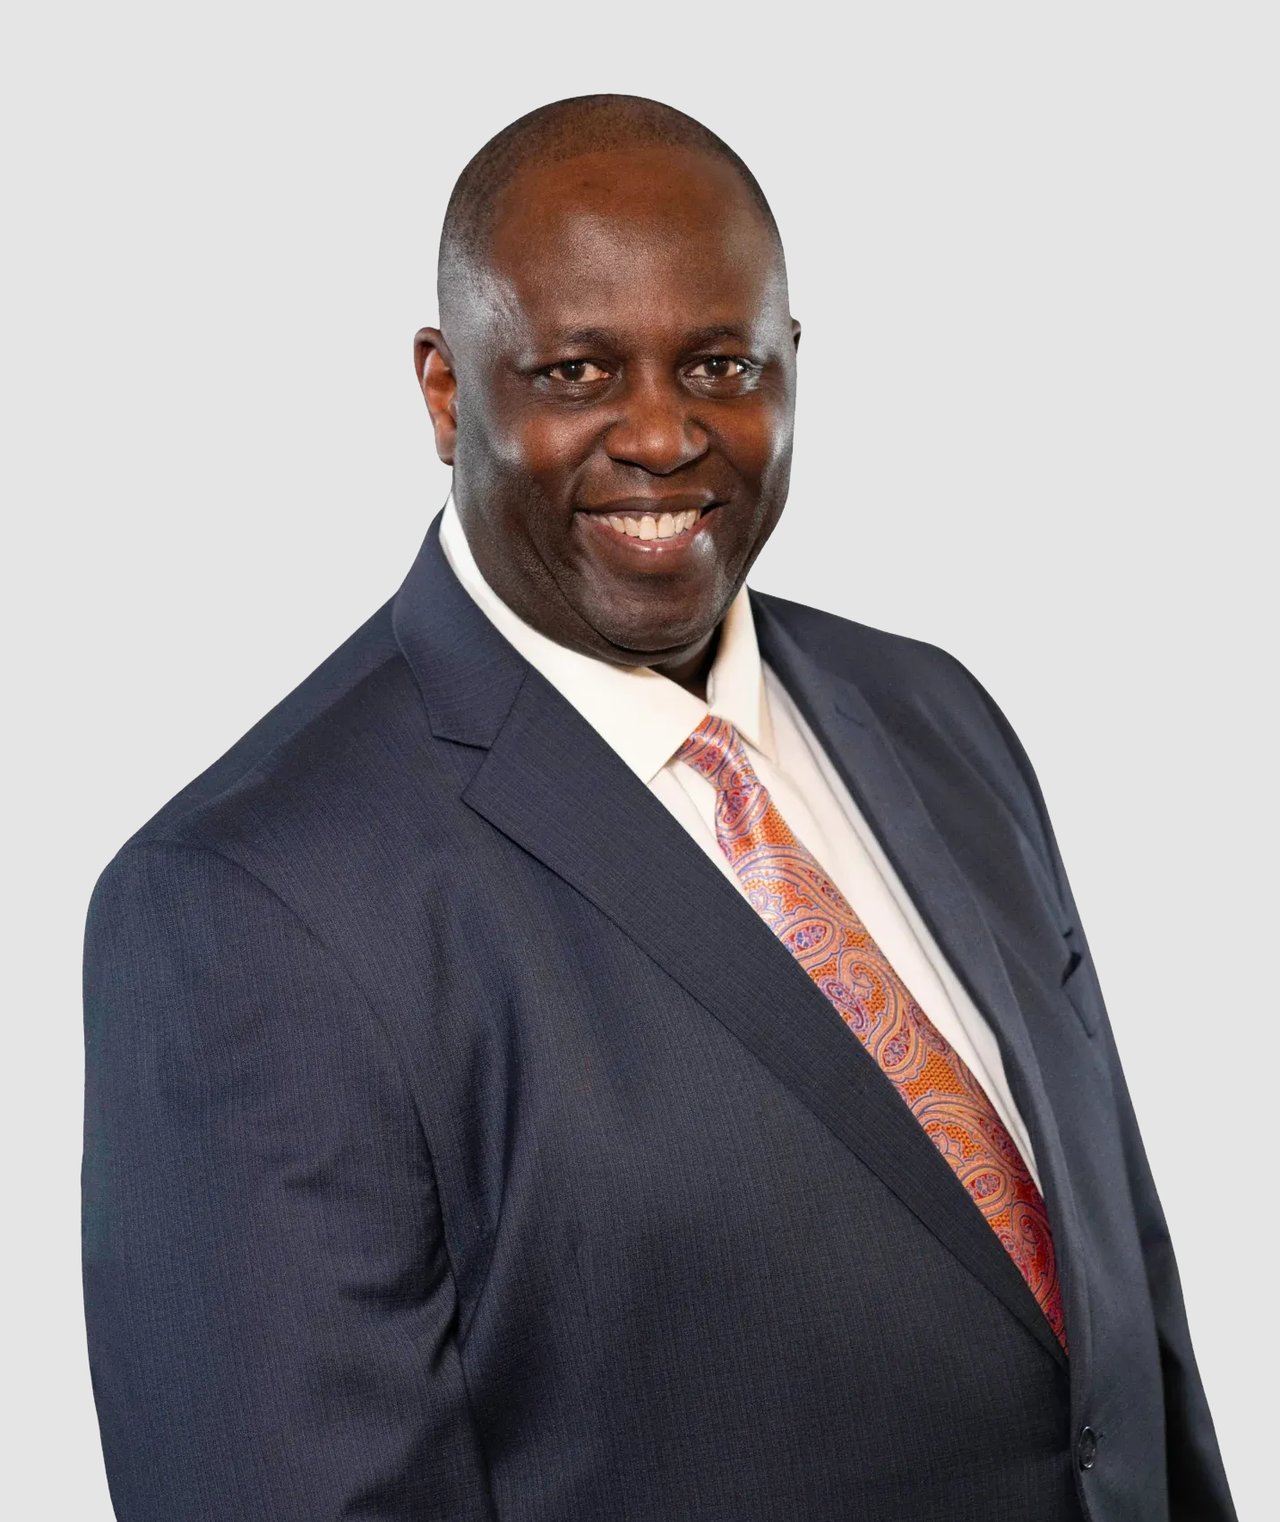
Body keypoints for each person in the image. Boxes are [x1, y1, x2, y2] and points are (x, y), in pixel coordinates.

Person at [81, 94, 1236, 1522]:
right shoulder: (248, 901)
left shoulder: (937, 716)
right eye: (577, 371)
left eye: (719, 365)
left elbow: (1126, 1317)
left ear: (793, 364)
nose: (663, 433)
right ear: (446, 391)